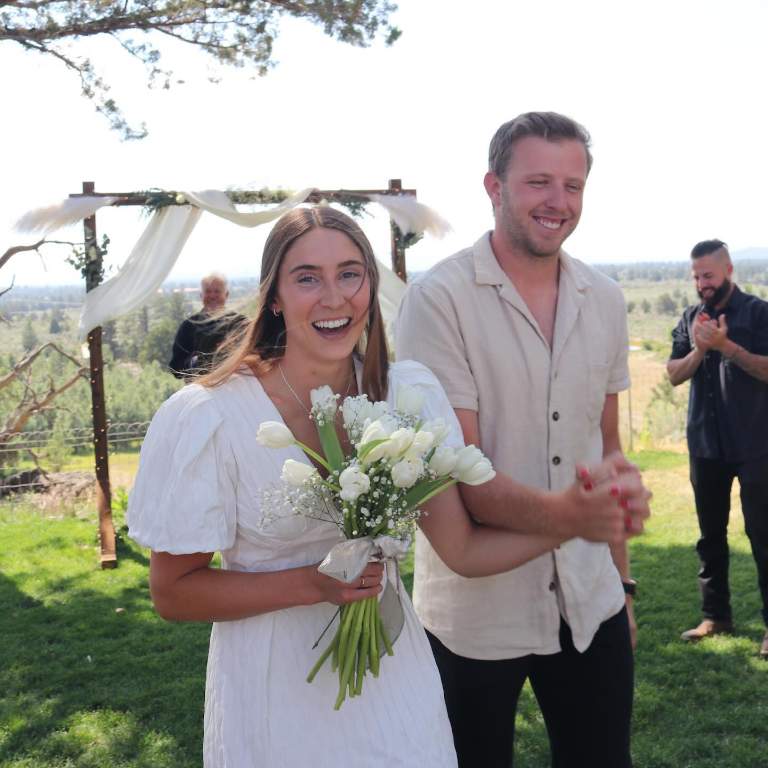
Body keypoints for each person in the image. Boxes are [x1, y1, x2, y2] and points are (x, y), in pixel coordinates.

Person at [127, 206, 645, 767]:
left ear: (370, 287)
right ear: (273, 295)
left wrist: (572, 522)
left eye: (350, 273)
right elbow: (173, 591)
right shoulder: (209, 416)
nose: (334, 296)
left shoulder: (405, 394)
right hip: (274, 692)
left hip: (394, 682)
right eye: (307, 278)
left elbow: (464, 551)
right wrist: (313, 584)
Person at [396, 112, 651, 768]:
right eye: (539, 181)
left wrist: (621, 585)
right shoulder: (439, 299)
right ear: (494, 186)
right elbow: (461, 474)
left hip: (590, 600)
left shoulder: (607, 298)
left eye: (573, 186)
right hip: (474, 617)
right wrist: (574, 516)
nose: (558, 202)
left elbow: (608, 450)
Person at [667, 239, 768, 657]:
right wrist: (701, 348)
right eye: (695, 277)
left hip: (756, 442)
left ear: (727, 269)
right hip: (705, 445)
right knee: (710, 537)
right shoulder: (690, 318)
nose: (701, 284)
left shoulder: (759, 313)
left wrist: (727, 348)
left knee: (764, 535)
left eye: (707, 275)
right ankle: (715, 616)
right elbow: (674, 373)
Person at [168, 273, 246, 378]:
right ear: (201, 295)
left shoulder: (240, 323)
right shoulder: (188, 326)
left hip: (234, 387)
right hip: (199, 389)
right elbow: (175, 369)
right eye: (208, 291)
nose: (212, 296)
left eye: (217, 291)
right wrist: (197, 362)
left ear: (226, 295)